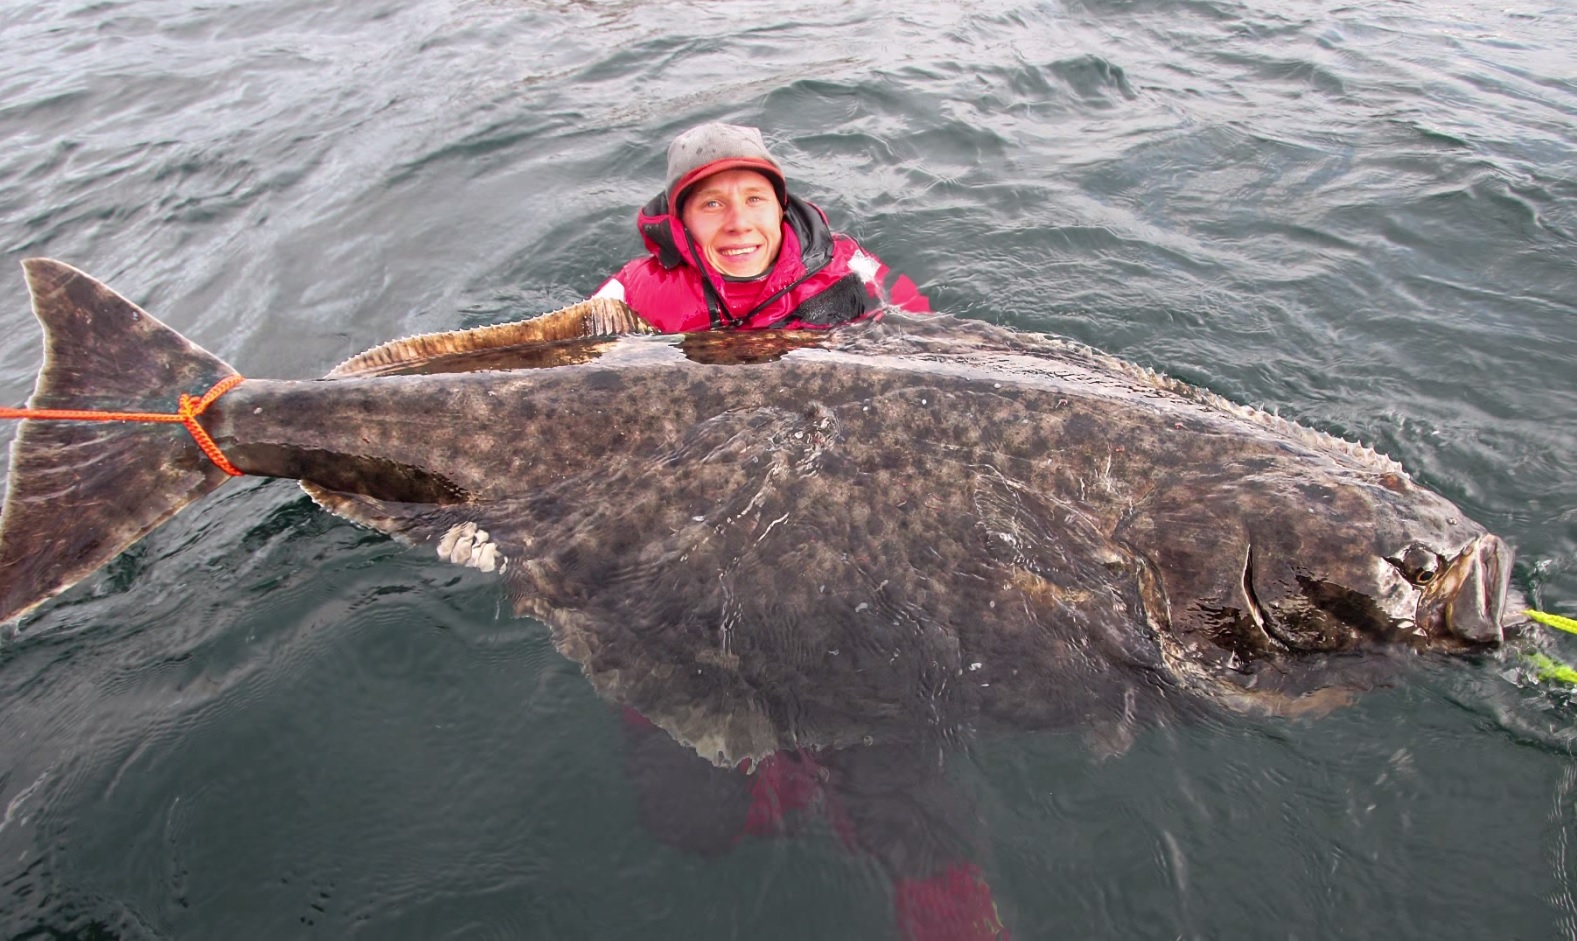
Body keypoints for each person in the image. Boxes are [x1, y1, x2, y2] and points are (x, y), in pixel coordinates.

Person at [592, 122, 931, 331]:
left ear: (780, 207)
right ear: (681, 221)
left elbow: (918, 333)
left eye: (755, 199)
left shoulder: (849, 265)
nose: (739, 223)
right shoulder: (632, 294)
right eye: (712, 204)